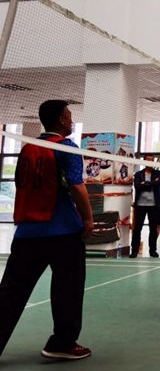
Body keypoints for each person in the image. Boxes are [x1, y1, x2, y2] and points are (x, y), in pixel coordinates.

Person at [0, 100, 94, 360]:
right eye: (69, 116)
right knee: (68, 289)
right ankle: (62, 343)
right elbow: (76, 186)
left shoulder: (28, 147)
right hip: (62, 231)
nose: (72, 120)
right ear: (61, 120)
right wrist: (88, 219)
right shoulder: (66, 147)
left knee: (10, 292)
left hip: (26, 233)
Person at [130, 155, 160, 258]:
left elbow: (157, 184)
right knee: (137, 229)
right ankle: (134, 250)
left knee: (153, 229)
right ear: (144, 161)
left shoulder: (158, 174)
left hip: (153, 205)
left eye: (152, 160)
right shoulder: (138, 174)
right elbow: (137, 186)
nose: (150, 161)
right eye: (148, 159)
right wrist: (150, 184)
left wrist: (145, 183)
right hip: (140, 205)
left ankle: (153, 250)